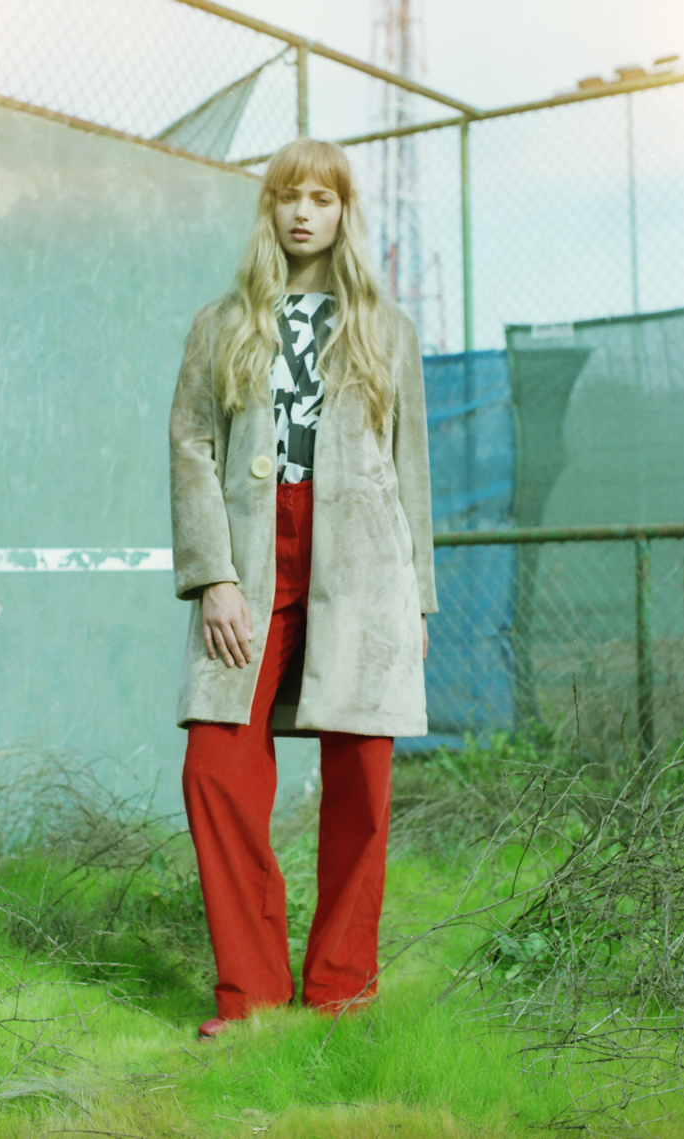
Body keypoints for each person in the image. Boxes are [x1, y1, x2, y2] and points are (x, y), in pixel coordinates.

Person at [169, 137, 437, 1041]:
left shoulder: (386, 329)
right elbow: (191, 447)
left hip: (364, 562)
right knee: (216, 765)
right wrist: (213, 576)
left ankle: (340, 988)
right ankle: (249, 993)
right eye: (288, 196)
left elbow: (412, 468)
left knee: (362, 778)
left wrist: (417, 599)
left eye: (322, 198)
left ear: (342, 212)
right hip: (254, 555)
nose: (302, 213)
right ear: (270, 209)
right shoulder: (221, 323)